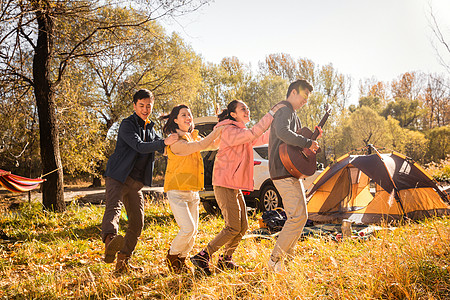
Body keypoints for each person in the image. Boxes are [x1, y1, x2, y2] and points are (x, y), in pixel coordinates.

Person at [190, 100, 281, 275]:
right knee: (232, 226)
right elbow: (253, 133)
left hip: (233, 185)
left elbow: (260, 137)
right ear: (233, 114)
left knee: (242, 226)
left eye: (247, 108)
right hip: (224, 184)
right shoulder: (229, 131)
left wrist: (278, 127)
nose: (247, 111)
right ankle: (203, 256)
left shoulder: (240, 132)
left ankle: (226, 259)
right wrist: (271, 114)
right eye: (242, 109)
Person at [101, 89, 178, 274]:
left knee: (137, 223)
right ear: (134, 105)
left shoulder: (150, 128)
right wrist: (164, 143)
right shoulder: (127, 124)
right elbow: (139, 146)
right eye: (141, 105)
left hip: (135, 183)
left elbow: (161, 145)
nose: (145, 109)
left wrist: (177, 141)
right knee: (114, 208)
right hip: (118, 176)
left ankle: (123, 263)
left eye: (148, 106)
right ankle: (110, 241)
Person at [267, 79, 321, 273]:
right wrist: (307, 142)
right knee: (298, 216)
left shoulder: (293, 114)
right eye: (304, 97)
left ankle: (286, 260)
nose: (305, 101)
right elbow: (282, 132)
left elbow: (294, 144)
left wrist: (311, 143)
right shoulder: (284, 110)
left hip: (290, 171)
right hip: (282, 171)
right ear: (293, 93)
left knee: (299, 216)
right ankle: (275, 260)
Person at [161, 104, 222, 273]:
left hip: (193, 191)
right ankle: (172, 256)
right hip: (177, 192)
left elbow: (214, 144)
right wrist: (215, 131)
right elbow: (201, 146)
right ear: (175, 120)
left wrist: (221, 124)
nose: (188, 117)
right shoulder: (175, 142)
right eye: (183, 115)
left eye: (189, 115)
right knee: (187, 228)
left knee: (193, 231)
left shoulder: (192, 138)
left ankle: (181, 259)